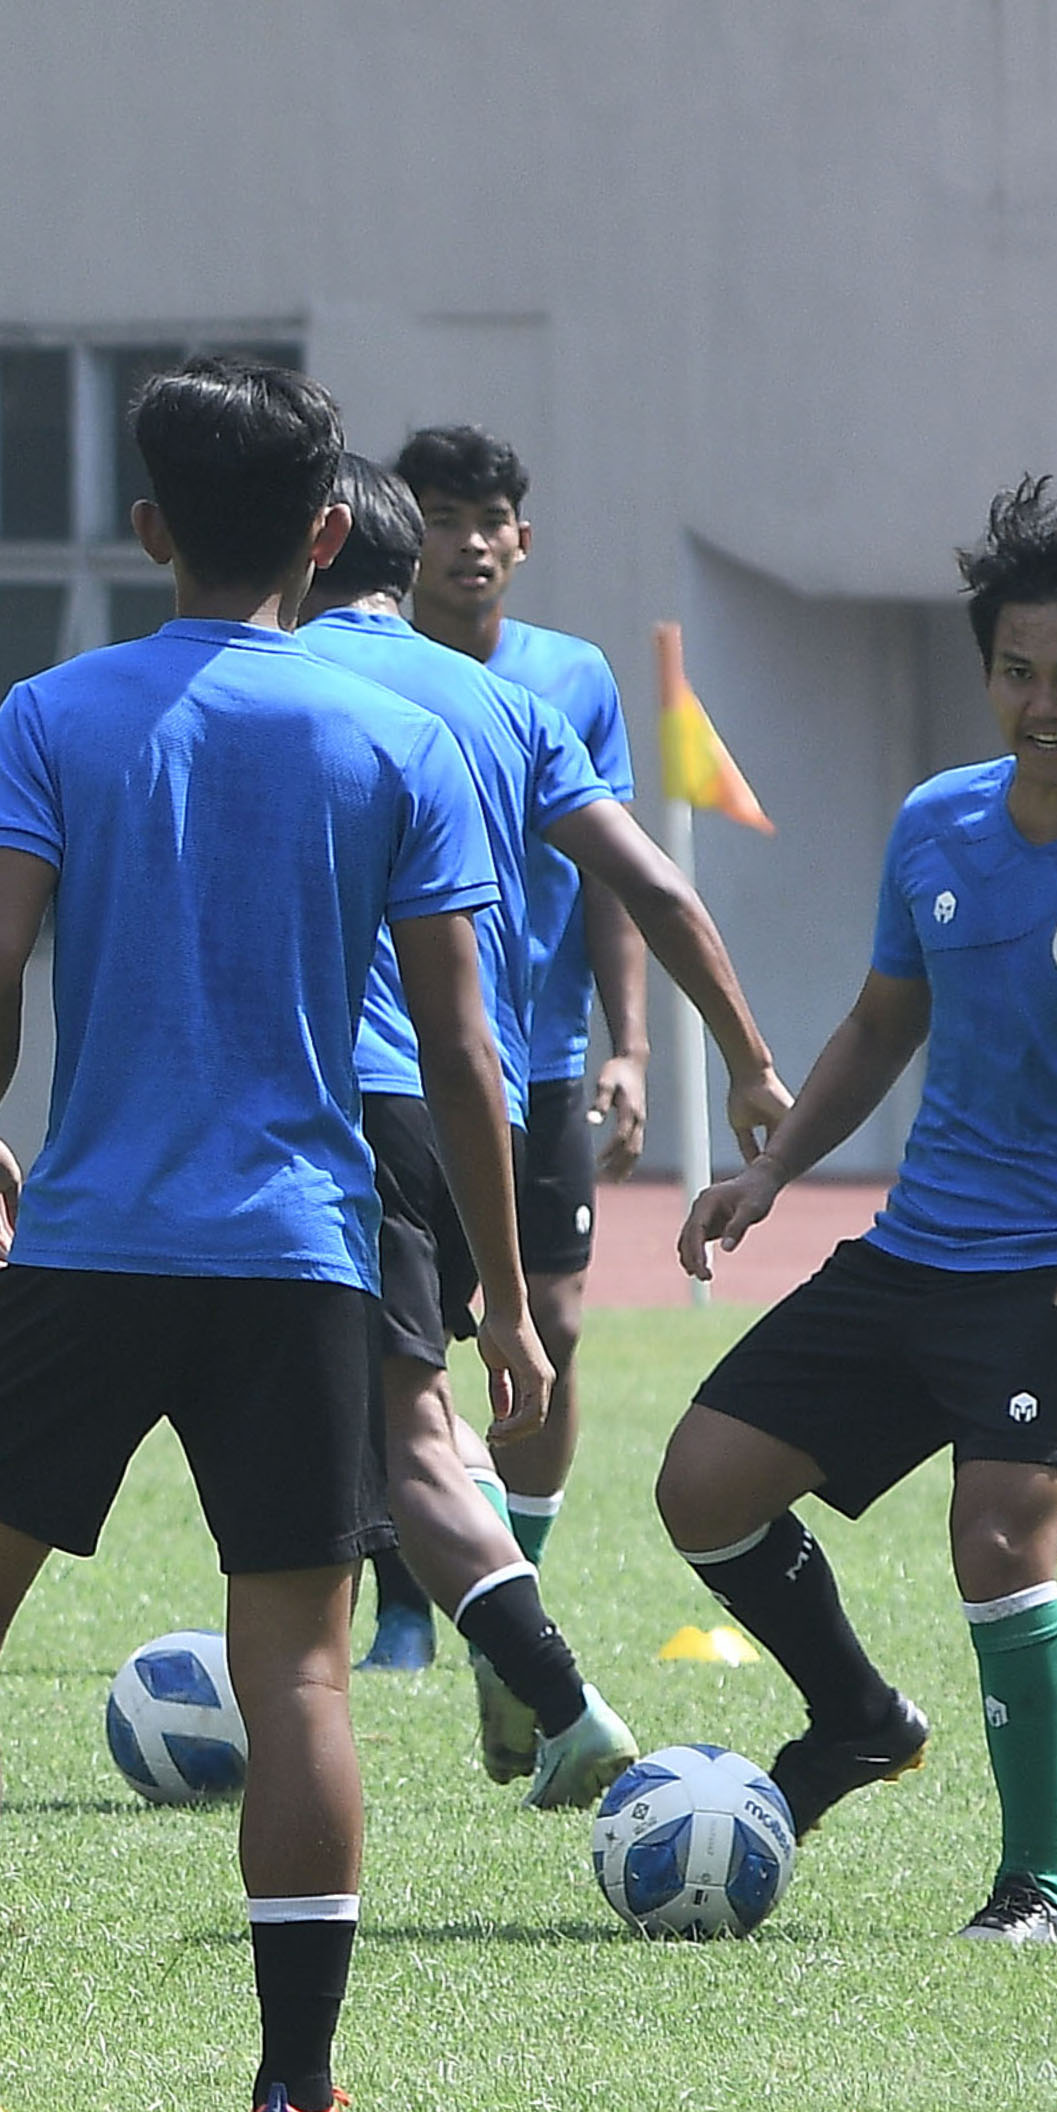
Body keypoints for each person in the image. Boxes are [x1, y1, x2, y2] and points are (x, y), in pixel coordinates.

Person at [0, 357, 532, 2112]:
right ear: (332, 532)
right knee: (298, 1672)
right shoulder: (398, 738)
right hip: (300, 1259)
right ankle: (295, 2103)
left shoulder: (54, 714)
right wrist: (507, 1299)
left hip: (90, 1249)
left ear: (148, 527)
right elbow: (465, 1051)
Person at [660, 479, 1057, 1945]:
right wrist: (770, 1171)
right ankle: (858, 1717)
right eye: (1017, 670)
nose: (1043, 703)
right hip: (914, 1251)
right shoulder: (937, 825)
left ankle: (1034, 1889)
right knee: (701, 1485)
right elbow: (883, 1022)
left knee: (1000, 1541)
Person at [299, 457, 791, 1805]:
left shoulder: (273, 683)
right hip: (485, 1118)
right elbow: (655, 886)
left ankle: (544, 1684)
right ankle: (434, 1634)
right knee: (373, 1405)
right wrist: (748, 1063)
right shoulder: (510, 708)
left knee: (388, 1423)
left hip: (334, 1104)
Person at [379, 424, 649, 1671]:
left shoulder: (571, 678)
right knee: (402, 1341)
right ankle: (403, 1604)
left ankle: (513, 1589)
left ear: (522, 540)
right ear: (403, 536)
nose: (468, 542)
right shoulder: (365, 670)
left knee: (554, 1317)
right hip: (397, 1057)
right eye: (442, 517)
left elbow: (612, 878)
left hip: (535, 1058)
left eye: (488, 520)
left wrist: (629, 1044)